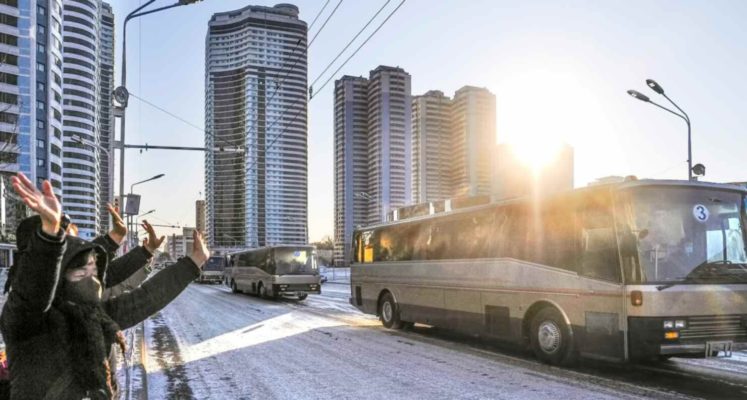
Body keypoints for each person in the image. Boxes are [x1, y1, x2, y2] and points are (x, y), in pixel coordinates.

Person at [0, 173, 209, 399]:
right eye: (81, 272)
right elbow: (33, 292)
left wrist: (192, 263)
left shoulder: (96, 315)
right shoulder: (28, 321)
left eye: (93, 271)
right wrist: (50, 236)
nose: (93, 280)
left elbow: (146, 298)